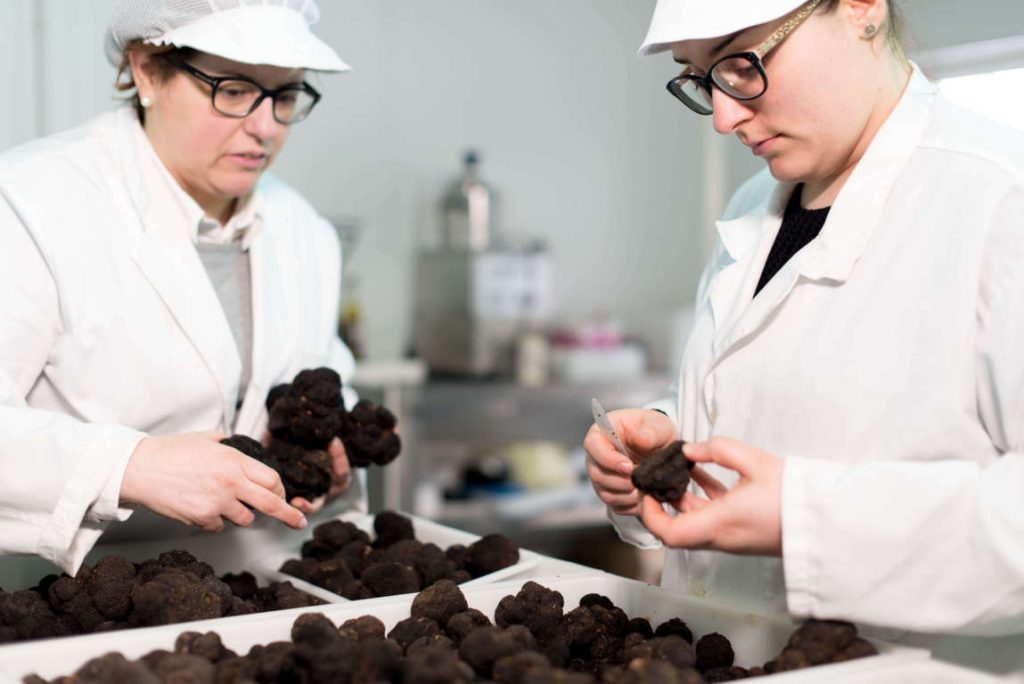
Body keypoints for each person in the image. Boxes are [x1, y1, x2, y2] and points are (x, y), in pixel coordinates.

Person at [585, 0, 1024, 672]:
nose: (724, 117)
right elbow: (762, 403)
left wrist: (807, 518)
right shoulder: (753, 208)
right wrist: (664, 439)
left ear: (861, 8)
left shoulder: (1001, 202)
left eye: (742, 63)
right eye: (700, 79)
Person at [0, 0, 364, 575]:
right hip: (62, 588)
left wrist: (331, 438)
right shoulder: (29, 203)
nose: (266, 127)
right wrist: (132, 466)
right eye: (233, 90)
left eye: (286, 95)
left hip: (253, 579)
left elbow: (324, 370)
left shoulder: (303, 229)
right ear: (147, 70)